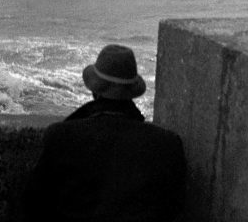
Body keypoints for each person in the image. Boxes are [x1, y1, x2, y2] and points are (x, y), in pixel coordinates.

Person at [24, 44, 186, 222]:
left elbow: (35, 204)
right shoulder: (167, 144)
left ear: (94, 91)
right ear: (131, 92)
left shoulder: (61, 136)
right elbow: (173, 207)